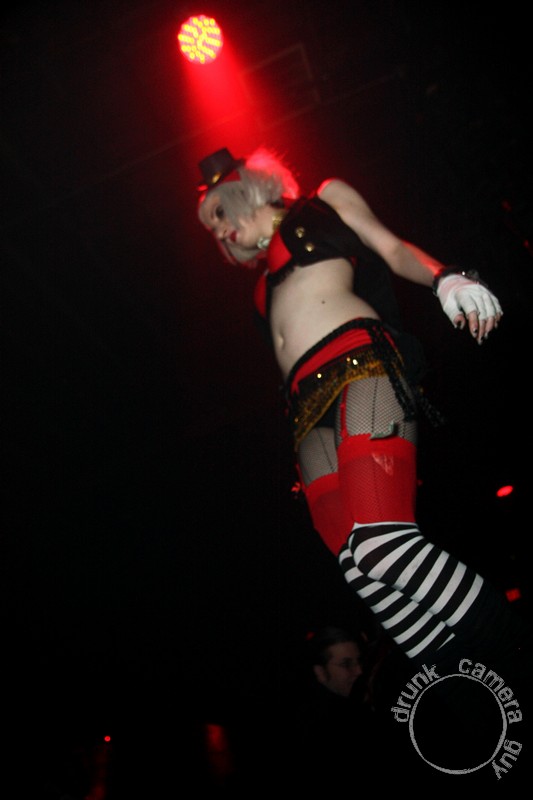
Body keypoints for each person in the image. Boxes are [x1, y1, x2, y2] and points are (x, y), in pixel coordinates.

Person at [195, 146, 530, 700]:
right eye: (212, 229)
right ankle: (470, 695)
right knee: (361, 569)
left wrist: (444, 277)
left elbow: (390, 248)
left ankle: (518, 651)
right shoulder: (261, 288)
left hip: (358, 364)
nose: (220, 232)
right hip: (306, 412)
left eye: (219, 214)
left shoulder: (323, 202)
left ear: (244, 190)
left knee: (380, 544)